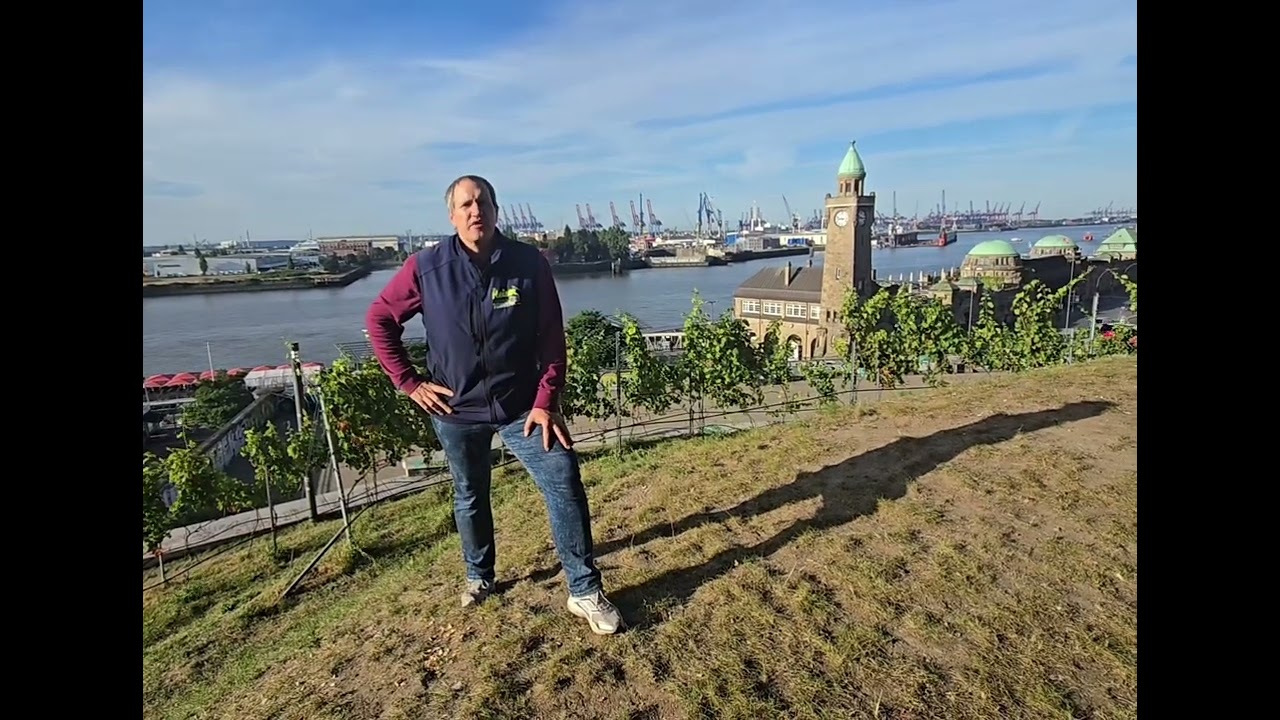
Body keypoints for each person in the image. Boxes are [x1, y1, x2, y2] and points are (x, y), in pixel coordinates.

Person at [364, 175, 623, 636]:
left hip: (522, 406)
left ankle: (583, 591)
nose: (474, 210)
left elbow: (551, 337)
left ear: (497, 209)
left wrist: (546, 400)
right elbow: (380, 318)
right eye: (464, 204)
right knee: (469, 494)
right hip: (455, 410)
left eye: (482, 202)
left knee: (563, 475)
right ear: (451, 215)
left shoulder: (528, 264)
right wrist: (409, 383)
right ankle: (479, 576)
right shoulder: (426, 267)